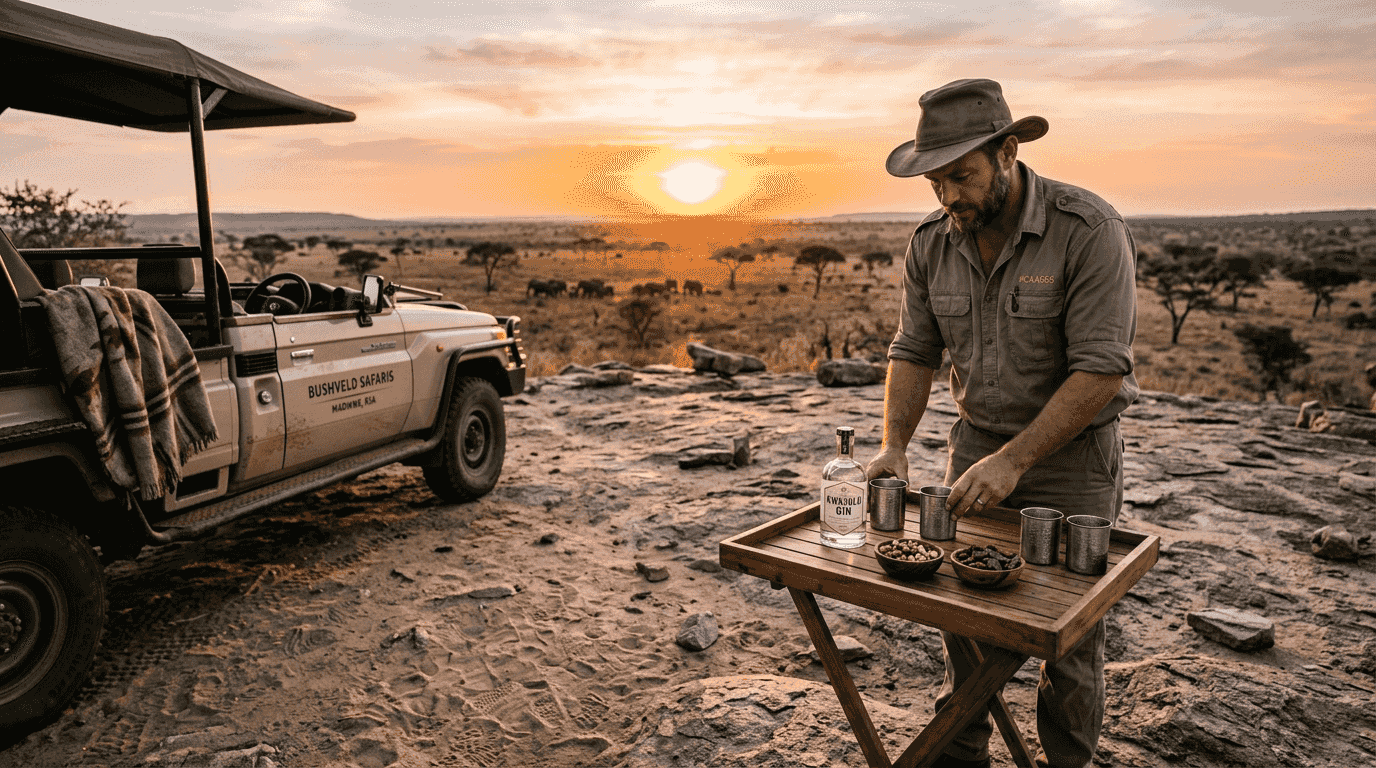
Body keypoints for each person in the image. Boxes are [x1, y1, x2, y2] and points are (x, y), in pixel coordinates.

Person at [865, 78, 1138, 768]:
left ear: (1009, 151)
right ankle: (961, 755)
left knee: (1067, 637)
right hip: (974, 451)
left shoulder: (1089, 231)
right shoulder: (930, 243)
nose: (948, 195)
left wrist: (1017, 459)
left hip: (1073, 462)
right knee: (962, 615)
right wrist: (895, 446)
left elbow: (1102, 369)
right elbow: (913, 350)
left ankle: (1066, 761)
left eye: (962, 175)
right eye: (935, 182)